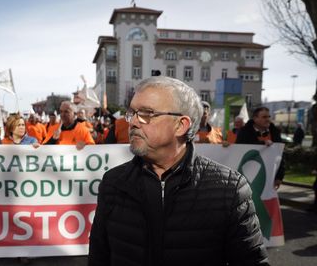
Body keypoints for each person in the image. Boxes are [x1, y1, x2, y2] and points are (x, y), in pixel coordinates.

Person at [88, 76, 269, 266]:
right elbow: (99, 256)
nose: (132, 122)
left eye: (146, 114)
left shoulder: (230, 190)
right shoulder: (113, 182)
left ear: (181, 125)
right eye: (132, 112)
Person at [236, 106, 285, 189]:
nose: (268, 119)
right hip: (248, 177)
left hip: (269, 178)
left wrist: (279, 177)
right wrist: (262, 144)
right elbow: (239, 151)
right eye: (264, 117)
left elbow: (281, 155)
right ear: (255, 118)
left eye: (269, 116)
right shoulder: (244, 132)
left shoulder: (275, 132)